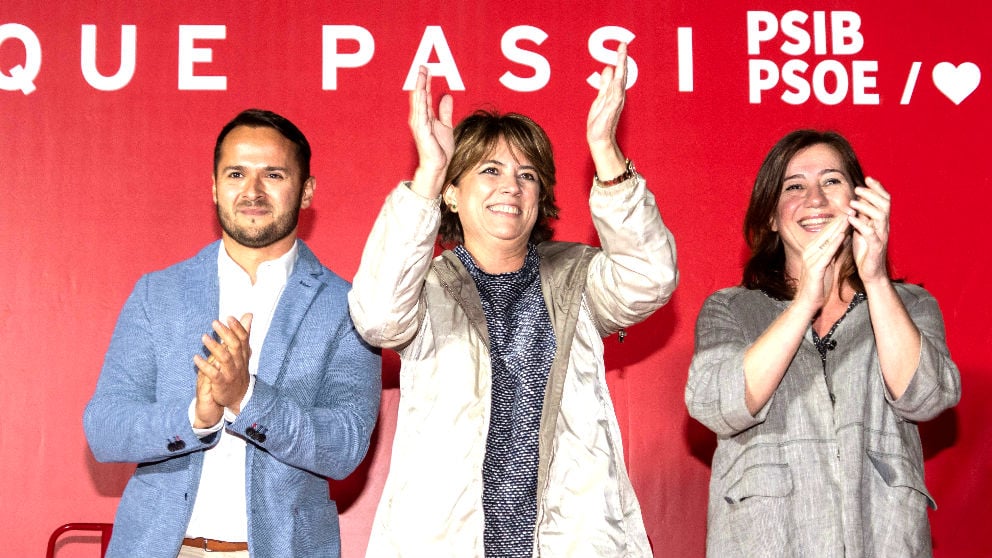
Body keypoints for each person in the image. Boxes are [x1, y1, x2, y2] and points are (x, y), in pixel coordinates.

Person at [348, 43, 677, 557]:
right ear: (453, 193)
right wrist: (428, 174)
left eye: (527, 175)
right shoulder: (424, 286)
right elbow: (377, 318)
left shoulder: (577, 276)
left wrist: (605, 150)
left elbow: (651, 276)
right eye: (490, 171)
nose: (512, 186)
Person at [83, 108, 381, 558]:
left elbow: (344, 445)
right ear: (214, 186)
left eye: (274, 174)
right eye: (236, 173)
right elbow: (105, 429)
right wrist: (195, 418)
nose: (253, 191)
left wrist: (246, 398)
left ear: (306, 191)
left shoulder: (348, 307)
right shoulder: (158, 293)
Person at [686, 129, 961, 556]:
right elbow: (718, 406)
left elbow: (926, 397)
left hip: (884, 538)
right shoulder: (731, 309)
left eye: (831, 181)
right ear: (772, 217)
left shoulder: (909, 304)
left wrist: (875, 278)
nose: (814, 198)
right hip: (769, 541)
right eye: (794, 186)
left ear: (859, 202)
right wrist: (805, 303)